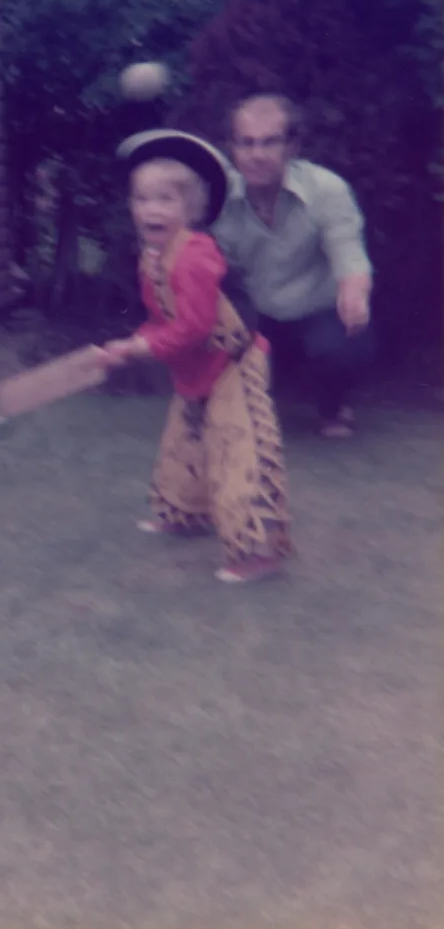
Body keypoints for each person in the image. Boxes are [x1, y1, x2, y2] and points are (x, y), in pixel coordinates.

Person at [95, 130, 292, 584]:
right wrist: (131, 343)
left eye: (165, 199)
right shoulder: (151, 257)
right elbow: (161, 317)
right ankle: (186, 513)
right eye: (142, 199)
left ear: (191, 209)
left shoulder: (196, 256)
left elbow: (194, 326)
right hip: (196, 367)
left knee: (238, 449)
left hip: (235, 365)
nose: (151, 209)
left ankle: (259, 551)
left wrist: (144, 348)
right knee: (184, 441)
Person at [212, 94, 374, 438]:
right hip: (258, 316)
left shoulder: (327, 189)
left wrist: (354, 294)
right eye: (246, 143)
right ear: (232, 147)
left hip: (318, 314)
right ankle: (242, 400)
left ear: (293, 147)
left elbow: (350, 256)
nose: (257, 154)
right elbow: (212, 271)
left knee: (342, 348)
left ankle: (332, 407)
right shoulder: (219, 198)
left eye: (269, 142)